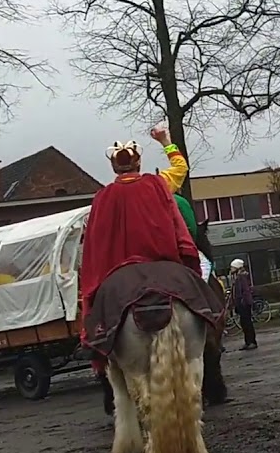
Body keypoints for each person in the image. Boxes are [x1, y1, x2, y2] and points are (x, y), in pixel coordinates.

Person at [80, 127, 200, 359]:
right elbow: (181, 168)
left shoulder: (103, 197)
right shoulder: (158, 183)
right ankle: (212, 319)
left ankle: (94, 342)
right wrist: (166, 140)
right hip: (161, 262)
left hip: (119, 270)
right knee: (201, 287)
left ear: (114, 167)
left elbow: (95, 243)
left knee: (96, 310)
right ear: (139, 163)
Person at [229, 258, 258, 350]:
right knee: (244, 323)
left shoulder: (242, 277)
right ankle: (248, 341)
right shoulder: (237, 277)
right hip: (241, 304)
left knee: (247, 323)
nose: (231, 269)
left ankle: (252, 342)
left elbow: (245, 290)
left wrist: (244, 302)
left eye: (232, 267)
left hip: (244, 304)